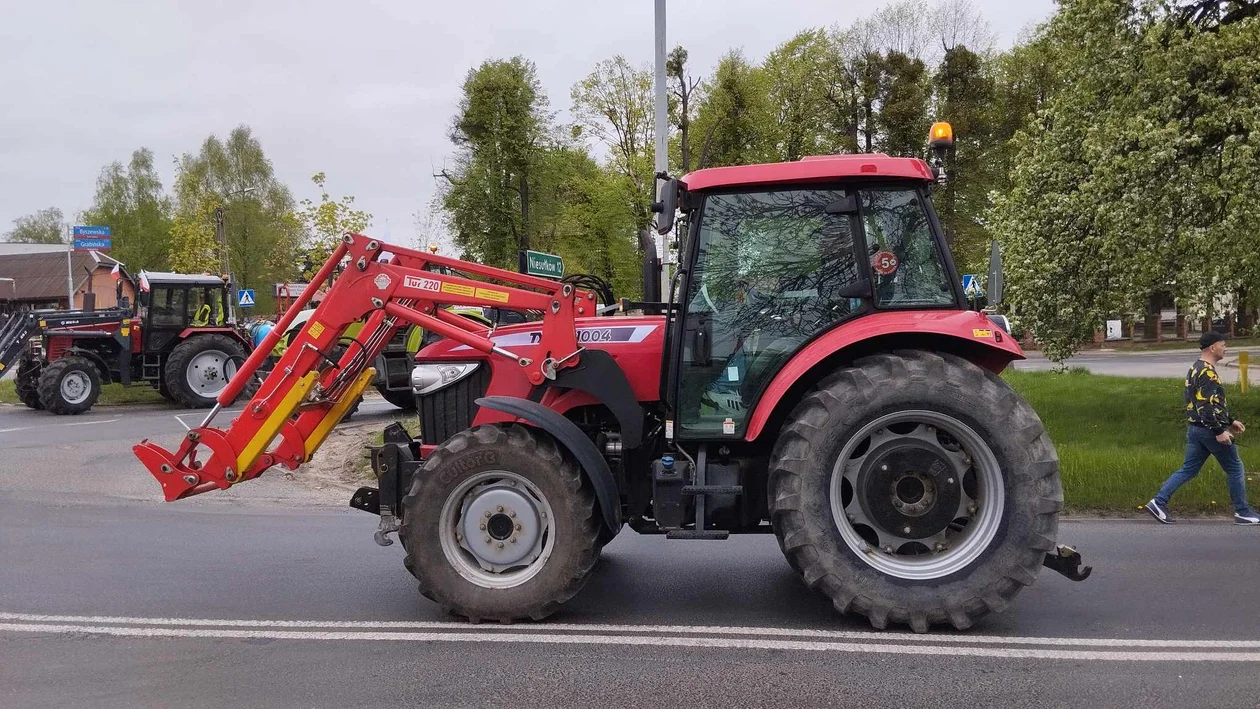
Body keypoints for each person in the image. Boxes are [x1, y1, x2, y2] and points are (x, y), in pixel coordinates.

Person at [1146, 331, 1260, 525]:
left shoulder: (1195, 368)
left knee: (1188, 469)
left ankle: (1158, 502)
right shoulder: (1207, 372)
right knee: (1235, 468)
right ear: (1212, 347)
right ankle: (1243, 512)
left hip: (1196, 429)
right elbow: (1205, 405)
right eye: (1223, 345)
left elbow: (1200, 401)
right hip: (1209, 430)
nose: (1226, 348)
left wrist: (1229, 420)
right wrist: (1219, 431)